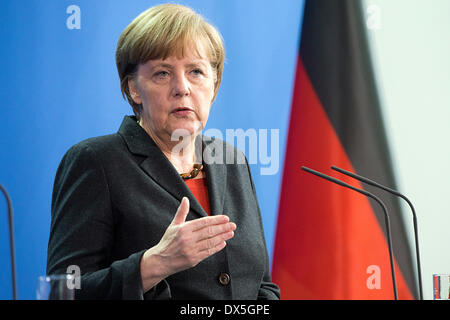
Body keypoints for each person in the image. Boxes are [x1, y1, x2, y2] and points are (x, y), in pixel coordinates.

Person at [46, 3, 280, 300]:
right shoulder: (96, 161)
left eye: (196, 71)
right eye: (162, 74)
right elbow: (62, 291)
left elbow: (262, 285)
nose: (182, 88)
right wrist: (153, 265)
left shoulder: (232, 159)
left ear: (214, 84)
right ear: (133, 88)